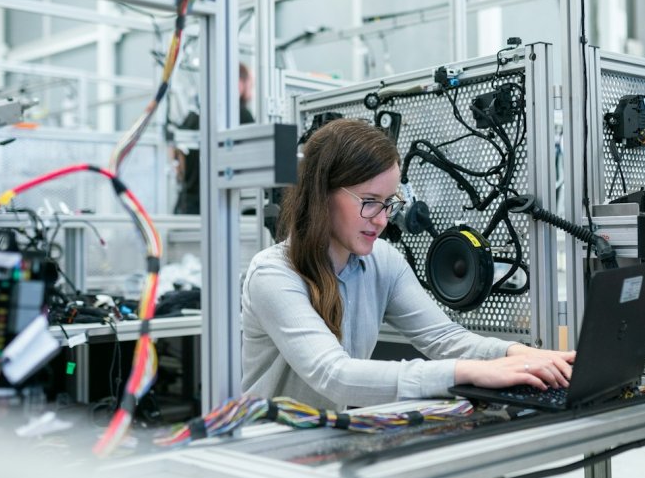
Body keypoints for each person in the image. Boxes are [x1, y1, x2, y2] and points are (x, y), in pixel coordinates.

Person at [241, 118, 575, 410]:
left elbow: (445, 339)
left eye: (388, 203)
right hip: (269, 453)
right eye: (370, 202)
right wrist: (468, 372)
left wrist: (520, 355)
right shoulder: (273, 274)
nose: (383, 220)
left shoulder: (381, 261)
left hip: (326, 440)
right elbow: (335, 376)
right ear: (321, 194)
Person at [174, 63, 254, 215]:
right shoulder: (241, 114)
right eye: (250, 84)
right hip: (222, 207)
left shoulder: (193, 116)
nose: (251, 91)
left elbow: (177, 161)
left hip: (188, 206)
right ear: (239, 83)